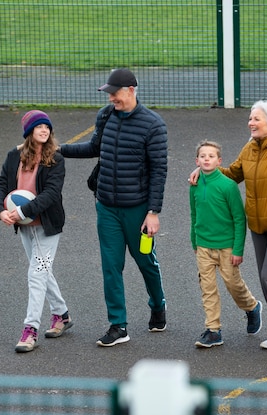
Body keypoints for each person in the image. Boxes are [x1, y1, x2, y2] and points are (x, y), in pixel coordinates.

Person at [60, 68, 168, 347]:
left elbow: (159, 170)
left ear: (131, 90)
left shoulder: (153, 125)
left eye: (115, 93)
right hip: (106, 207)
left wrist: (153, 212)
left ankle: (158, 306)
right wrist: (58, 149)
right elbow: (95, 148)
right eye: (109, 94)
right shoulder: (106, 116)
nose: (111, 99)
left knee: (146, 261)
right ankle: (118, 325)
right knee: (111, 266)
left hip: (138, 209)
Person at [189, 100, 267, 352]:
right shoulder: (250, 148)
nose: (251, 123)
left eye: (256, 119)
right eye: (250, 118)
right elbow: (232, 173)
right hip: (258, 225)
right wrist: (205, 169)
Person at [0, 110, 73, 353]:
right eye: (39, 127)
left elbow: (51, 193)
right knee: (42, 271)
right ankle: (62, 315)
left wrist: (23, 210)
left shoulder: (56, 159)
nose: (44, 130)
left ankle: (30, 329)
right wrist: (0, 211)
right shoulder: (13, 156)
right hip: (25, 226)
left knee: (36, 274)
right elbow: (0, 186)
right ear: (29, 132)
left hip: (47, 226)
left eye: (47, 127)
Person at [190, 140, 262, 348]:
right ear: (197, 160)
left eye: (211, 156)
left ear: (219, 161)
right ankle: (213, 330)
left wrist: (238, 249)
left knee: (233, 284)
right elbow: (193, 214)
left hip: (227, 247)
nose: (206, 159)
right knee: (208, 288)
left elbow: (240, 219)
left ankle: (252, 306)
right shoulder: (194, 185)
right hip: (203, 246)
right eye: (203, 156)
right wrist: (194, 240)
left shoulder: (228, 186)